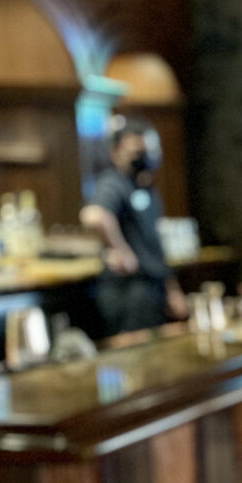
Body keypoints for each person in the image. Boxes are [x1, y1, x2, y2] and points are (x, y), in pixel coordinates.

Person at [81, 121, 186, 335]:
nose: (145, 158)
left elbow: (155, 246)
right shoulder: (113, 182)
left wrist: (172, 290)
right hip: (129, 290)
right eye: (137, 152)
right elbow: (93, 216)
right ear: (115, 152)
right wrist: (122, 250)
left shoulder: (148, 189)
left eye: (149, 151)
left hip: (153, 287)